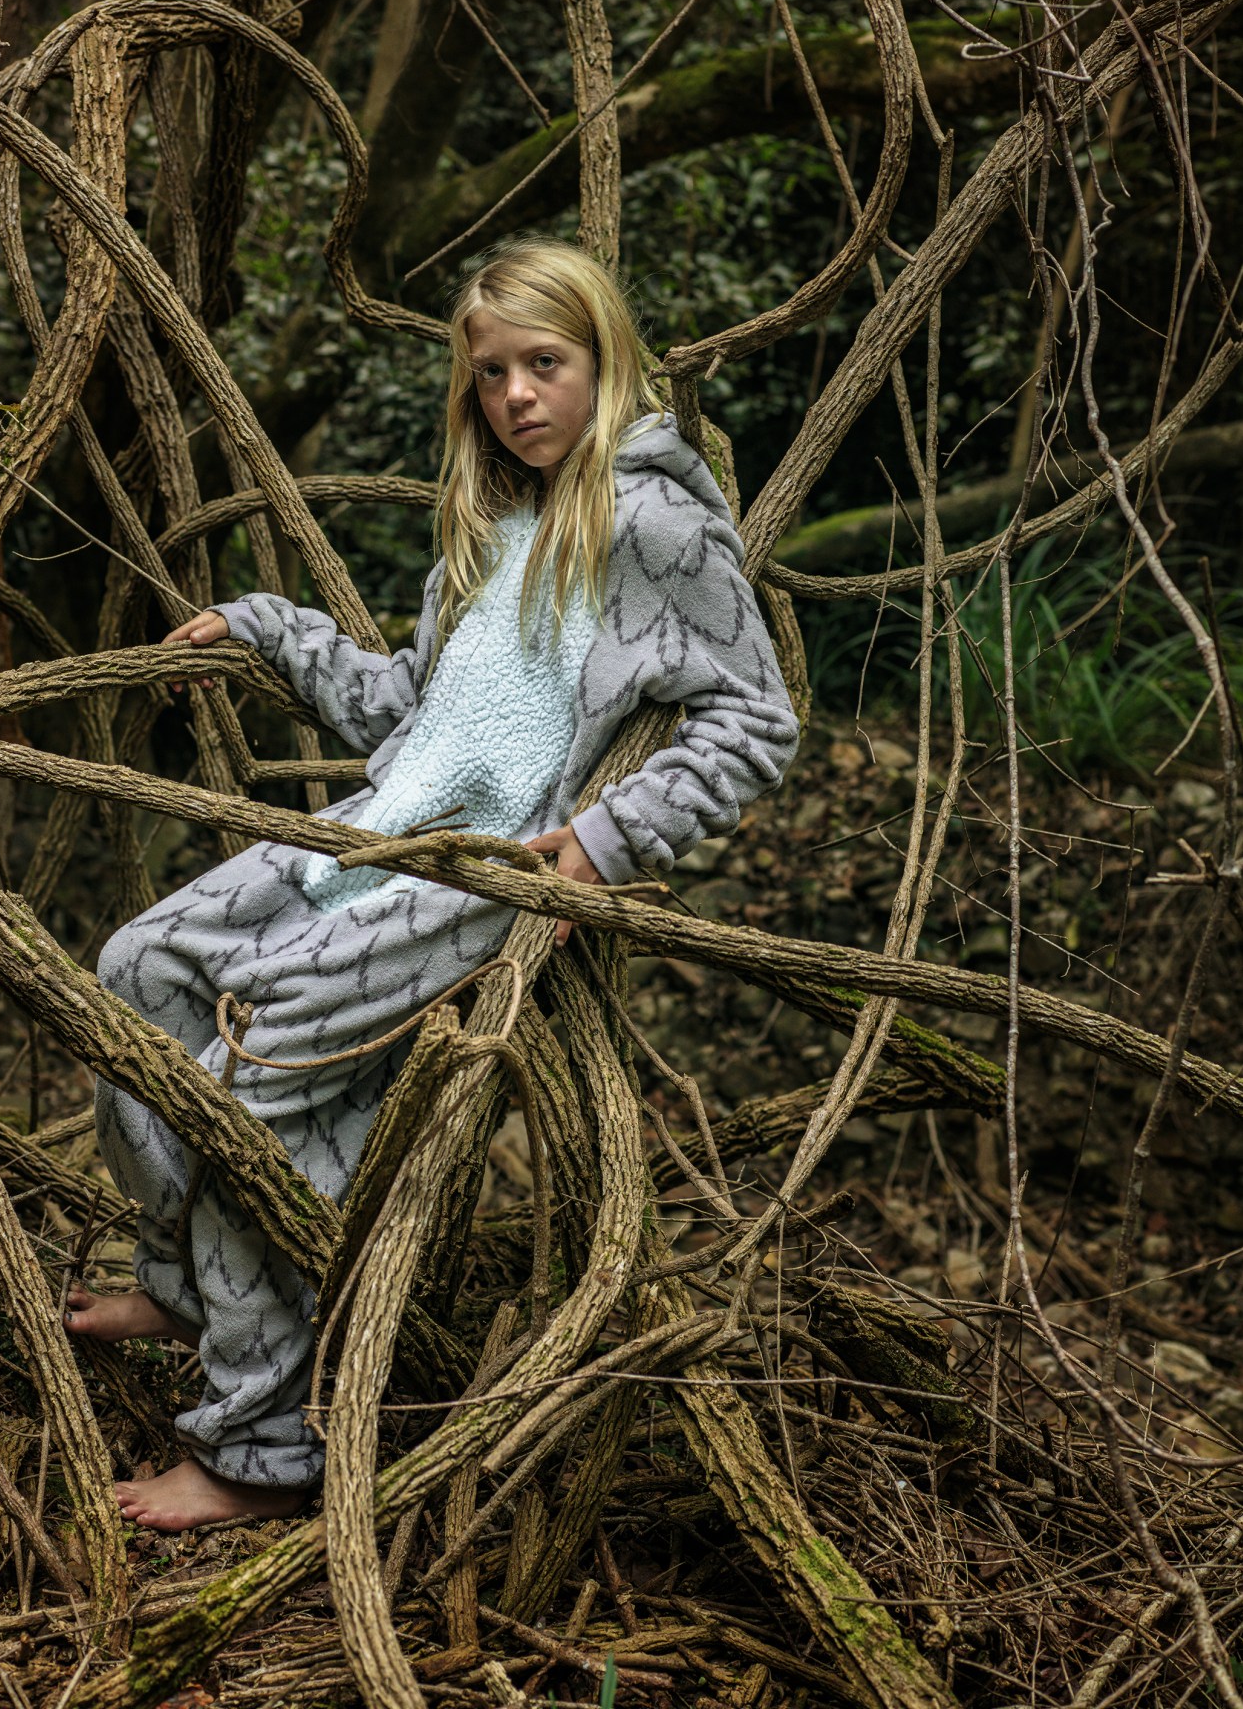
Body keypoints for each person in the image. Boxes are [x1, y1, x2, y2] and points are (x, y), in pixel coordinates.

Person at [65, 237, 800, 1530]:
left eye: (546, 364)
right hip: (374, 830)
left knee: (251, 1075)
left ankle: (258, 1450)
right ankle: (184, 1278)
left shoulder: (656, 522)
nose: (518, 395)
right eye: (493, 375)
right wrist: (269, 629)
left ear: (604, 362)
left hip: (476, 878)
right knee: (138, 974)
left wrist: (611, 838)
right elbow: (405, 711)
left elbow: (755, 724)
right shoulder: (492, 524)